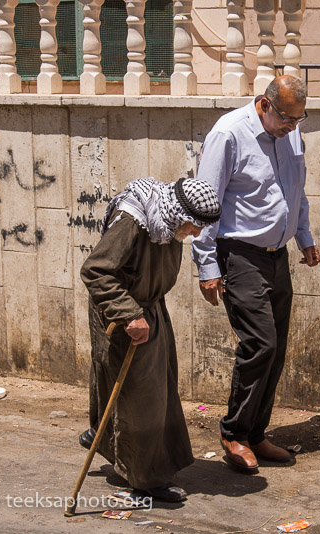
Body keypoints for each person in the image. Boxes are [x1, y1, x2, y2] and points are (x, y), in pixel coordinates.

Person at [192, 76, 320, 470]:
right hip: (240, 254)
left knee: (277, 348)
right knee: (260, 344)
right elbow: (205, 201)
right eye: (286, 117)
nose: (292, 126)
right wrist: (207, 264)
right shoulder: (228, 135)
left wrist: (304, 235)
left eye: (299, 119)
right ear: (263, 104)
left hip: (277, 254)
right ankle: (233, 433)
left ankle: (255, 433)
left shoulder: (290, 134)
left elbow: (296, 190)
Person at [79, 176, 221, 502]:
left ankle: (107, 441)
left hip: (150, 309)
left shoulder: (166, 222)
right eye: (193, 226)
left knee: (159, 390)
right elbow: (96, 270)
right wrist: (128, 313)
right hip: (124, 315)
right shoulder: (133, 221)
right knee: (141, 400)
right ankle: (144, 480)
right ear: (176, 212)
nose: (195, 234)